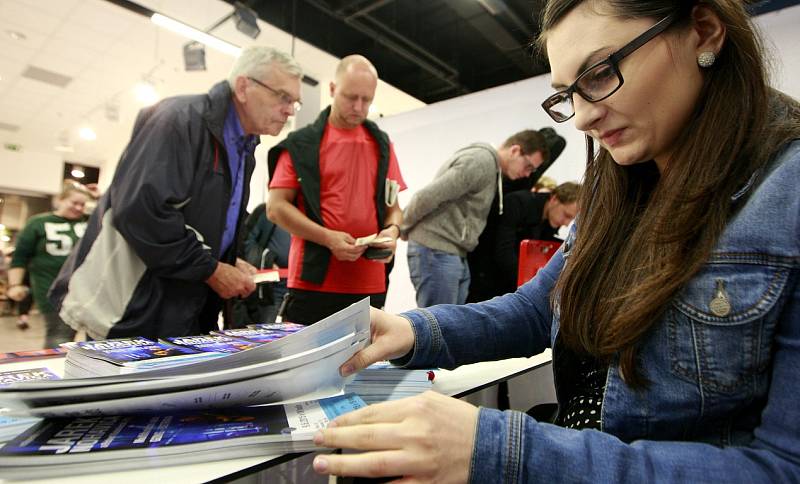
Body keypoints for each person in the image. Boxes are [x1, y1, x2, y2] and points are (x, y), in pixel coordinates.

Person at [309, 1, 800, 482]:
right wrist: (414, 330)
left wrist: (502, 451)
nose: (583, 117)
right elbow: (538, 308)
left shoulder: (786, 193)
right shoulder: (623, 187)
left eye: (601, 73)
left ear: (705, 31)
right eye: (568, 94)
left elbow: (784, 466)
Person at [49, 46, 303, 340]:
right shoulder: (178, 119)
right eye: (283, 97)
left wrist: (228, 260)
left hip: (187, 306)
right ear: (244, 87)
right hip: (135, 305)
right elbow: (141, 211)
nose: (289, 110)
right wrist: (211, 269)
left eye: (294, 103)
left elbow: (209, 219)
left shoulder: (245, 148)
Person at [267, 55, 406, 325]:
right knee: (304, 365)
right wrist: (327, 238)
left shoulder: (381, 145)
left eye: (367, 100)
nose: (358, 107)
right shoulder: (301, 144)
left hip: (370, 283)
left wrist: (392, 231)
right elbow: (276, 208)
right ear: (332, 89)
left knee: (364, 364)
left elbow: (394, 209)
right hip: (313, 283)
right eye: (350, 97)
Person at [401, 130, 550, 307]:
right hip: (436, 249)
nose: (528, 174)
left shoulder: (491, 168)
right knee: (435, 326)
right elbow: (428, 196)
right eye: (529, 167)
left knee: (445, 325)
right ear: (515, 150)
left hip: (450, 251)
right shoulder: (481, 162)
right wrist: (403, 227)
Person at [7, 184, 90, 348]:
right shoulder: (38, 222)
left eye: (83, 204)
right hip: (53, 290)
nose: (79, 208)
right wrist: (15, 285)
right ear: (60, 200)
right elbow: (20, 257)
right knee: (60, 336)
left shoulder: (89, 221)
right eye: (74, 203)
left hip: (87, 290)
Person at [469, 182, 580, 301]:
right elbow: (503, 251)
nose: (566, 223)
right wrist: (529, 285)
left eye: (571, 219)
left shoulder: (551, 219)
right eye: (566, 215)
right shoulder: (517, 202)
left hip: (509, 284)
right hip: (485, 278)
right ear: (554, 199)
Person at [234, 202, 291, 326]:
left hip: (297, 286)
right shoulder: (265, 211)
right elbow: (246, 241)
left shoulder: (308, 211)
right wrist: (266, 260)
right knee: (266, 328)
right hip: (271, 287)